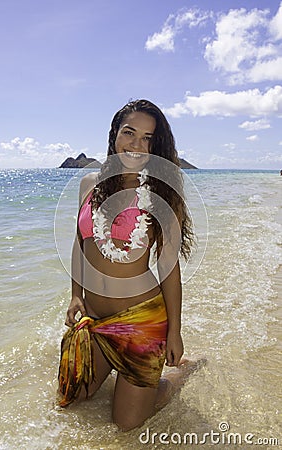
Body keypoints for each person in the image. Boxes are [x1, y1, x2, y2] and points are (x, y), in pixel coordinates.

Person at [58, 99, 205, 431]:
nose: (137, 145)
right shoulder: (89, 183)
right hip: (96, 320)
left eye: (148, 139)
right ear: (114, 135)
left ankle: (176, 377)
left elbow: (168, 268)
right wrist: (75, 295)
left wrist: (175, 332)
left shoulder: (160, 194)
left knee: (126, 425)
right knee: (71, 401)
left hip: (142, 323)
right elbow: (79, 242)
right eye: (130, 133)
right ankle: (118, 371)